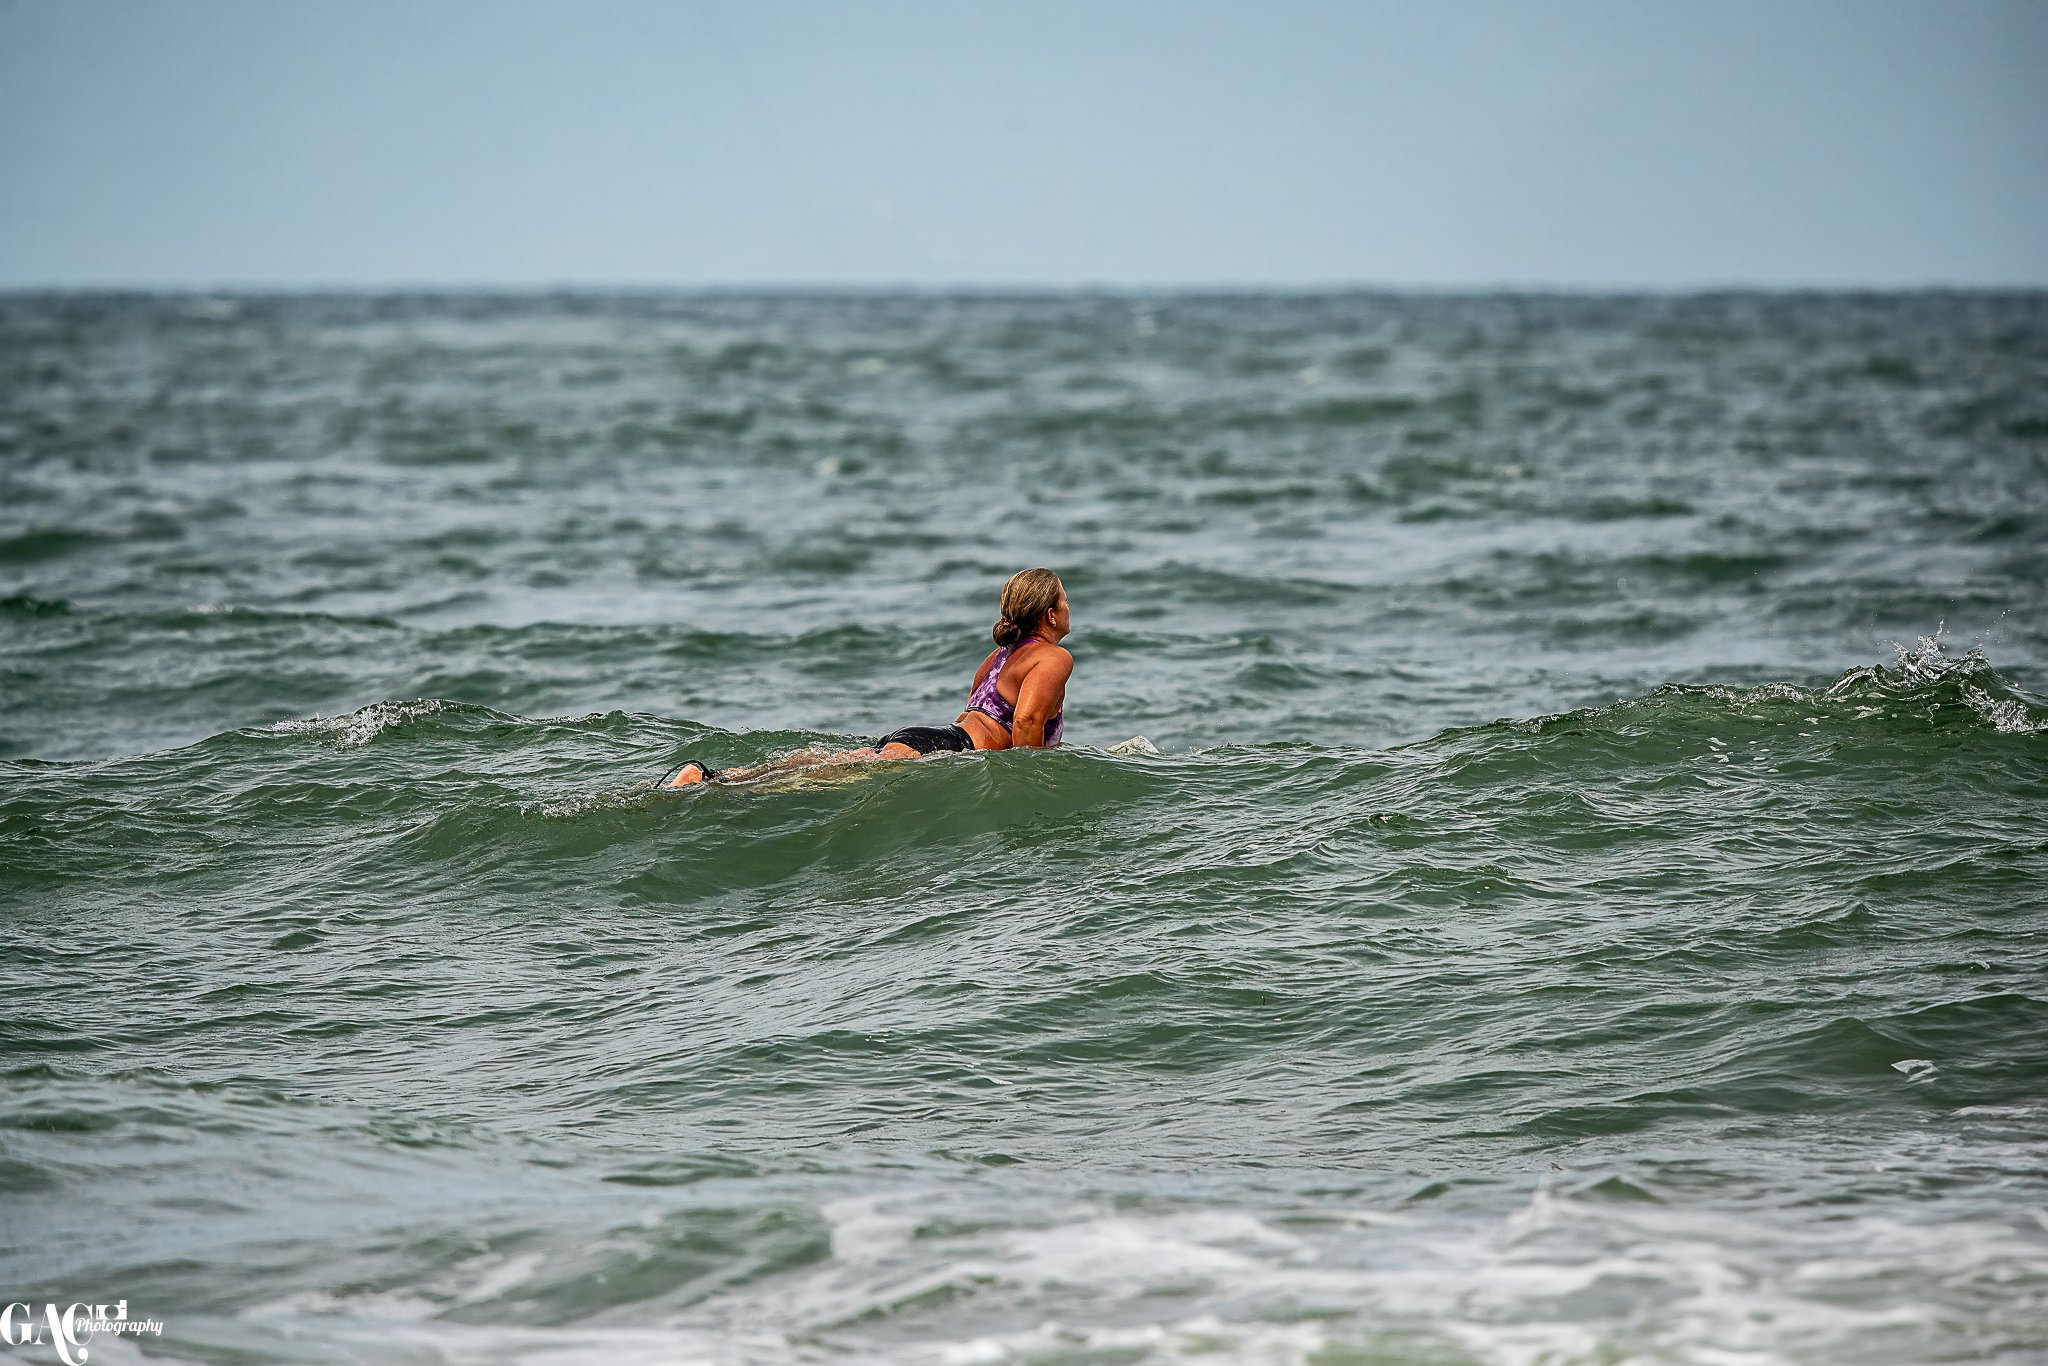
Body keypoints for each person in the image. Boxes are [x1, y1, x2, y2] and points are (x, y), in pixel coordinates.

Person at [660, 568, 1073, 787]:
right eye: (1066, 601)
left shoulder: (998, 657)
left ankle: (713, 778)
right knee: (819, 780)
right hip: (946, 749)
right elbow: (1025, 723)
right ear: (1051, 614)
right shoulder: (1053, 658)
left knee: (830, 767)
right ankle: (716, 786)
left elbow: (980, 716)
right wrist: (1027, 787)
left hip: (931, 739)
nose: (1070, 608)